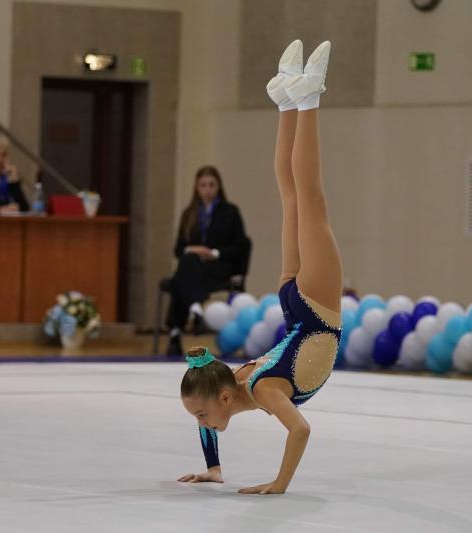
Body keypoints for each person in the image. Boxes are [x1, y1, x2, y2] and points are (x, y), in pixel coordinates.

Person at [178, 40, 342, 495]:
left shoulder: (262, 391)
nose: (202, 423)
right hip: (295, 301)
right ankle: (287, 102)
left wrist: (279, 483)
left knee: (307, 198)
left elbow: (301, 430)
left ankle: (305, 100)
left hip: (314, 308)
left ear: (224, 399)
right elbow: (211, 409)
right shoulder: (226, 381)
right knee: (295, 197)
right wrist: (212, 469)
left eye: (202, 415)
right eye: (198, 417)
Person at [166, 165, 250, 356]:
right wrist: (192, 249)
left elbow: (240, 247)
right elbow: (178, 249)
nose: (207, 189)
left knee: (182, 277)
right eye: (203, 185)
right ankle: (196, 308)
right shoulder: (189, 214)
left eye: (211, 185)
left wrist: (214, 253)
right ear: (197, 188)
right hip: (195, 266)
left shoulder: (230, 212)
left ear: (218, 186)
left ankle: (176, 330)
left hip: (220, 265)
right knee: (187, 262)